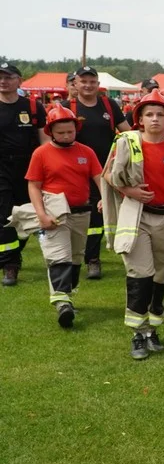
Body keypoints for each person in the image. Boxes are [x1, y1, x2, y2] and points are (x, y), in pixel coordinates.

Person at [106, 91, 164, 360]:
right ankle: (138, 333)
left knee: (160, 276)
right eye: (149, 114)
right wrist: (129, 191)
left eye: (160, 114)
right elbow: (107, 175)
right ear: (139, 119)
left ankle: (154, 328)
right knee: (141, 273)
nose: (154, 119)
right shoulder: (126, 142)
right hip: (136, 215)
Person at [25, 106, 102, 327]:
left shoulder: (86, 152)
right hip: (54, 210)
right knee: (59, 255)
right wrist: (41, 214)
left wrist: (104, 199)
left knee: (76, 256)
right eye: (61, 133)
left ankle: (67, 295)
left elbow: (99, 178)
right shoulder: (41, 154)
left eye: (70, 131)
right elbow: (34, 186)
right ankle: (61, 303)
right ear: (51, 132)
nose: (66, 136)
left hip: (81, 211)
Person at [67, 65, 130, 282]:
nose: (88, 85)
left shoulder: (109, 105)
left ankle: (103, 254)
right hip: (79, 170)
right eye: (83, 81)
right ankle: (89, 259)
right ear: (75, 83)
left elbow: (127, 131)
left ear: (98, 84)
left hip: (108, 169)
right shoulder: (69, 107)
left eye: (92, 81)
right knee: (88, 214)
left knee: (108, 212)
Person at [0, 62, 46, 286]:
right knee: (4, 216)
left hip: (28, 169)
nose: (3, 81)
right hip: (1, 169)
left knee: (28, 217)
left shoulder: (34, 107)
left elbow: (45, 141)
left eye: (8, 77)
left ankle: (13, 251)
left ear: (19, 80)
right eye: (0, 77)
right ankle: (10, 265)